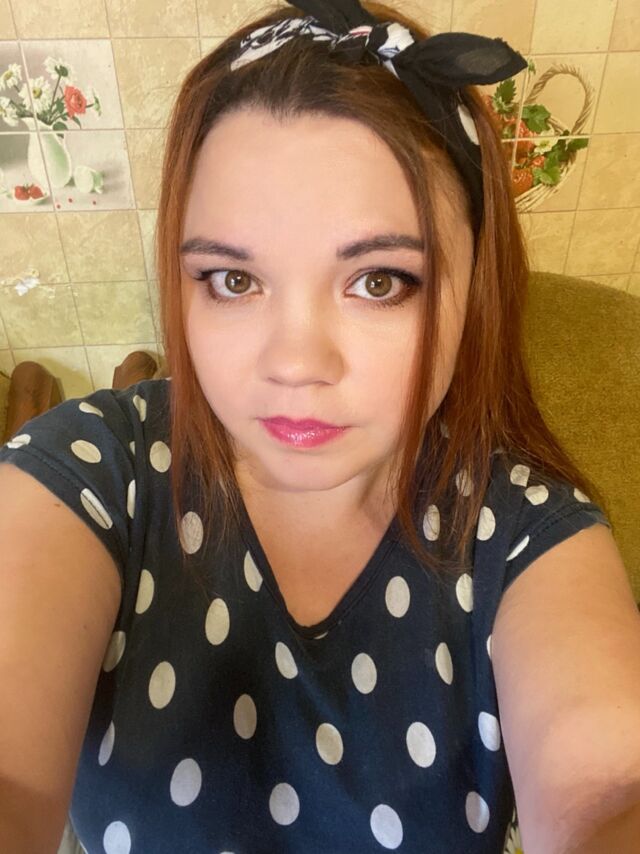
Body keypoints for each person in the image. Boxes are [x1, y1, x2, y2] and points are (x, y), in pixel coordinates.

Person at [1, 2, 639, 853]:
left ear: (475, 286)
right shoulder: (89, 477)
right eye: (233, 280)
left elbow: (609, 792)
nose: (295, 364)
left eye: (379, 281)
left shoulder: (525, 536)